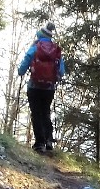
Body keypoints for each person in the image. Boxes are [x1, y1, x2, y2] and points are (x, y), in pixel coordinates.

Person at [17, 21, 65, 154]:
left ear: (40, 34)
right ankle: (49, 140)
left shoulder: (35, 47)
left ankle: (39, 143)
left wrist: (21, 71)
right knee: (45, 112)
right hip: (49, 88)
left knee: (36, 113)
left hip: (34, 86)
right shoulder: (56, 50)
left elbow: (25, 62)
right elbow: (61, 71)